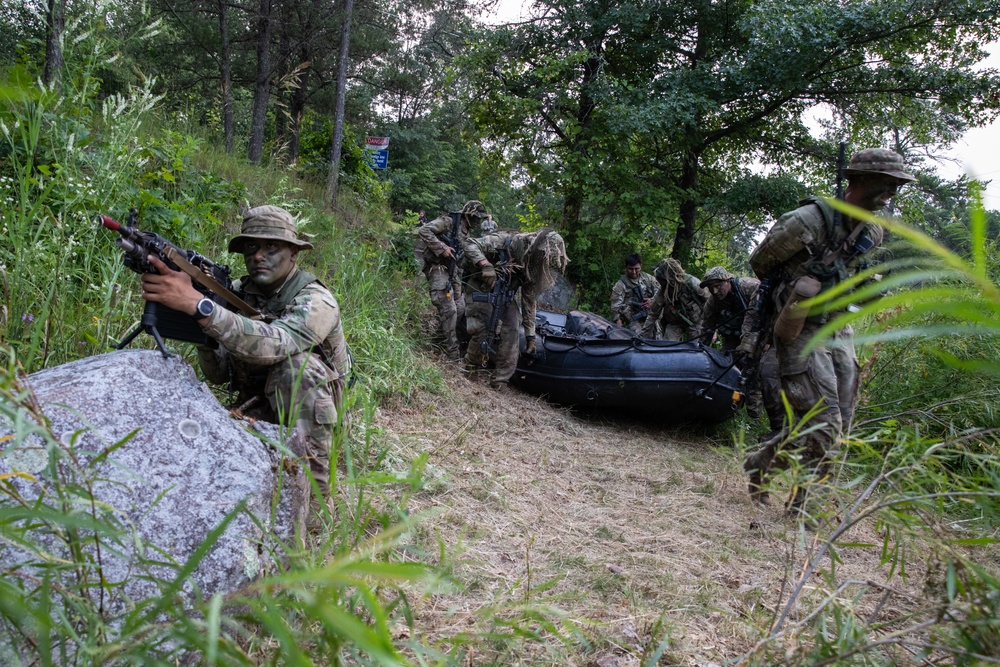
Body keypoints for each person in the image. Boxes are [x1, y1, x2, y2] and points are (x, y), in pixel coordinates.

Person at [139, 205, 351, 504]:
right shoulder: (234, 292)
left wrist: (201, 307)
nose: (258, 256)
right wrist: (202, 332)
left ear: (294, 253)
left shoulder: (316, 299)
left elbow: (276, 344)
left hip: (314, 415)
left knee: (298, 367)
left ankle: (313, 504)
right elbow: (218, 375)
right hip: (255, 404)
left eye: (271, 247)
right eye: (251, 246)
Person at [744, 148, 915, 512]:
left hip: (840, 329)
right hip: (801, 327)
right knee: (824, 422)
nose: (891, 193)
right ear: (858, 180)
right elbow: (760, 262)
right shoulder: (807, 220)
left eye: (896, 186)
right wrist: (802, 279)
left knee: (841, 424)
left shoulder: (872, 231)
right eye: (886, 184)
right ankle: (805, 509)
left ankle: (767, 469)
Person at [463, 228, 569, 388]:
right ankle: (470, 369)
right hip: (480, 285)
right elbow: (470, 244)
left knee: (512, 330)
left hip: (505, 293)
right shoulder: (504, 241)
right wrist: (485, 265)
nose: (543, 261)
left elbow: (529, 301)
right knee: (482, 328)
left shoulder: (533, 269)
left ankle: (499, 381)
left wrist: (530, 336)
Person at [700, 266, 783, 434]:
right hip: (734, 339)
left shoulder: (749, 287)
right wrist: (701, 352)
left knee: (753, 378)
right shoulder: (713, 302)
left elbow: (766, 312)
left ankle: (754, 421)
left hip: (760, 336)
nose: (715, 291)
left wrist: (768, 340)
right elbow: (706, 329)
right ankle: (723, 411)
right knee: (725, 371)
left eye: (718, 285)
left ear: (727, 281)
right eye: (711, 288)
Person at [417, 201, 488, 360]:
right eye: (476, 217)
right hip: (438, 268)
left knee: (461, 307)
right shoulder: (449, 222)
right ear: (468, 214)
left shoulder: (466, 232)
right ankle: (453, 352)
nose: (477, 221)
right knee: (449, 309)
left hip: (454, 272)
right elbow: (424, 230)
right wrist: (443, 248)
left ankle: (440, 339)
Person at [641, 258, 708, 341]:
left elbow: (710, 304)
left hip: (695, 323)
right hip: (675, 323)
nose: (661, 283)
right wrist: (643, 337)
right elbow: (653, 314)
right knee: (667, 347)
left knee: (696, 349)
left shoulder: (693, 283)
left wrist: (711, 329)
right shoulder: (663, 290)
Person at [610, 253, 657, 335]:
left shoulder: (648, 279)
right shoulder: (621, 284)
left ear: (641, 266)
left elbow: (660, 292)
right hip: (633, 318)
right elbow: (615, 304)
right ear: (626, 267)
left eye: (636, 268)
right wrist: (618, 321)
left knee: (658, 339)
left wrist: (652, 301)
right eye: (630, 269)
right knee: (637, 339)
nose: (634, 272)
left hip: (650, 316)